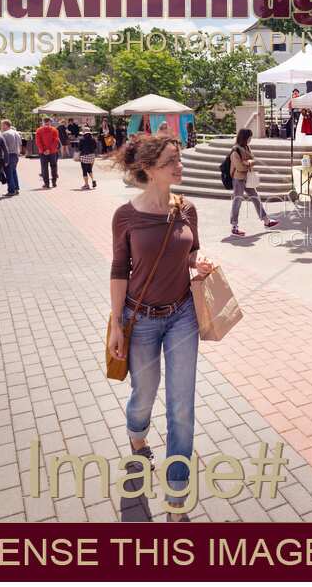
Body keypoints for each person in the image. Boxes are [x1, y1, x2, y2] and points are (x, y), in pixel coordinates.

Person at [108, 134, 214, 521]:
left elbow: (190, 253)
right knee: (145, 395)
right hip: (141, 319)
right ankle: (137, 437)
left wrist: (198, 265)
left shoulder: (187, 208)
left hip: (182, 314)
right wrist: (117, 325)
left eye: (179, 158)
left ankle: (177, 491)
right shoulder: (126, 215)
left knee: (181, 406)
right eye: (171, 161)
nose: (179, 166)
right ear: (149, 169)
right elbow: (119, 271)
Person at [229, 128, 279, 237]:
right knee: (237, 201)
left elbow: (253, 159)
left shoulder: (246, 147)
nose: (250, 139)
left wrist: (247, 162)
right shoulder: (235, 151)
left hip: (247, 177)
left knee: (255, 197)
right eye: (249, 137)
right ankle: (234, 226)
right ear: (244, 138)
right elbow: (240, 167)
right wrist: (248, 163)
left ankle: (266, 221)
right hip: (238, 179)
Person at [35, 117, 60, 188]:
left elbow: (38, 142)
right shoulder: (54, 130)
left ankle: (46, 184)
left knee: (44, 168)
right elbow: (55, 141)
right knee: (53, 167)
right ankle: (54, 182)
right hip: (52, 151)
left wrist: (43, 150)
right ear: (50, 122)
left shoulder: (39, 130)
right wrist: (49, 150)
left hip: (43, 152)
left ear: (42, 123)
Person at [0, 119, 22, 196]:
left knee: (9, 173)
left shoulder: (4, 134)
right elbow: (20, 144)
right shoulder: (16, 133)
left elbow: (3, 147)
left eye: (2, 125)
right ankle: (16, 188)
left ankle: (11, 190)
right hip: (16, 154)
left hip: (8, 155)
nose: (1, 127)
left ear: (6, 125)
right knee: (13, 172)